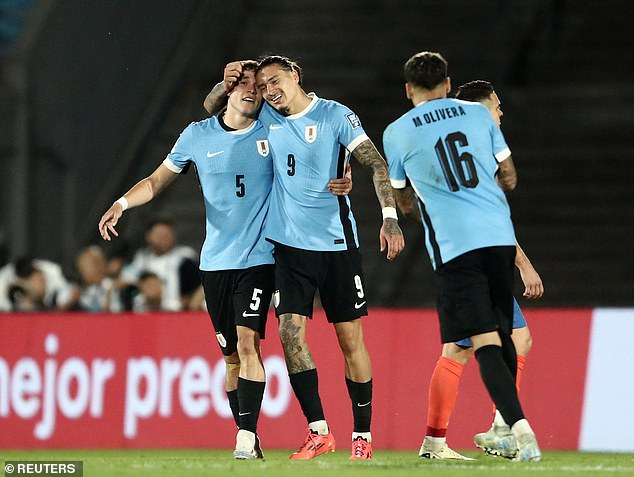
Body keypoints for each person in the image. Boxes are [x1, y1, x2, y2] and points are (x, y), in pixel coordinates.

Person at [99, 60, 351, 460]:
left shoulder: (274, 125)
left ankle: (245, 439)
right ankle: (249, 433)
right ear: (228, 90)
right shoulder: (196, 136)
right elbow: (156, 181)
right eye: (243, 85)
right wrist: (122, 202)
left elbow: (316, 140)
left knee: (250, 342)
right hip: (215, 262)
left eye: (257, 85)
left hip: (263, 256)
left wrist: (343, 170)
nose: (253, 91)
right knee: (230, 357)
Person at [204, 56, 405, 460]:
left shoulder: (335, 115)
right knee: (290, 335)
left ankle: (361, 436)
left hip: (335, 246)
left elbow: (375, 163)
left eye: (275, 81)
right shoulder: (265, 117)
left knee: (350, 341)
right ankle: (319, 431)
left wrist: (389, 219)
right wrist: (220, 84)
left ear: (295, 76)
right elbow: (216, 112)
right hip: (288, 248)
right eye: (263, 86)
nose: (269, 90)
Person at [382, 51, 541, 462]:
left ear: (407, 89)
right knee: (494, 340)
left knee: (483, 341)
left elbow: (402, 199)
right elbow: (509, 175)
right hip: (497, 241)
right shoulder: (477, 118)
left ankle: (507, 428)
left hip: (455, 248)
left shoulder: (398, 131)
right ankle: (499, 429)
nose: (500, 112)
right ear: (448, 83)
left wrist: (434, 203)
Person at [121, 219, 200, 311]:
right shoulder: (140, 259)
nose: (164, 239)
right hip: (143, 314)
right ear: (149, 237)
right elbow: (125, 285)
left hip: (176, 313)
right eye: (160, 235)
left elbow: (197, 288)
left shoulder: (184, 258)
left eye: (167, 235)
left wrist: (186, 302)